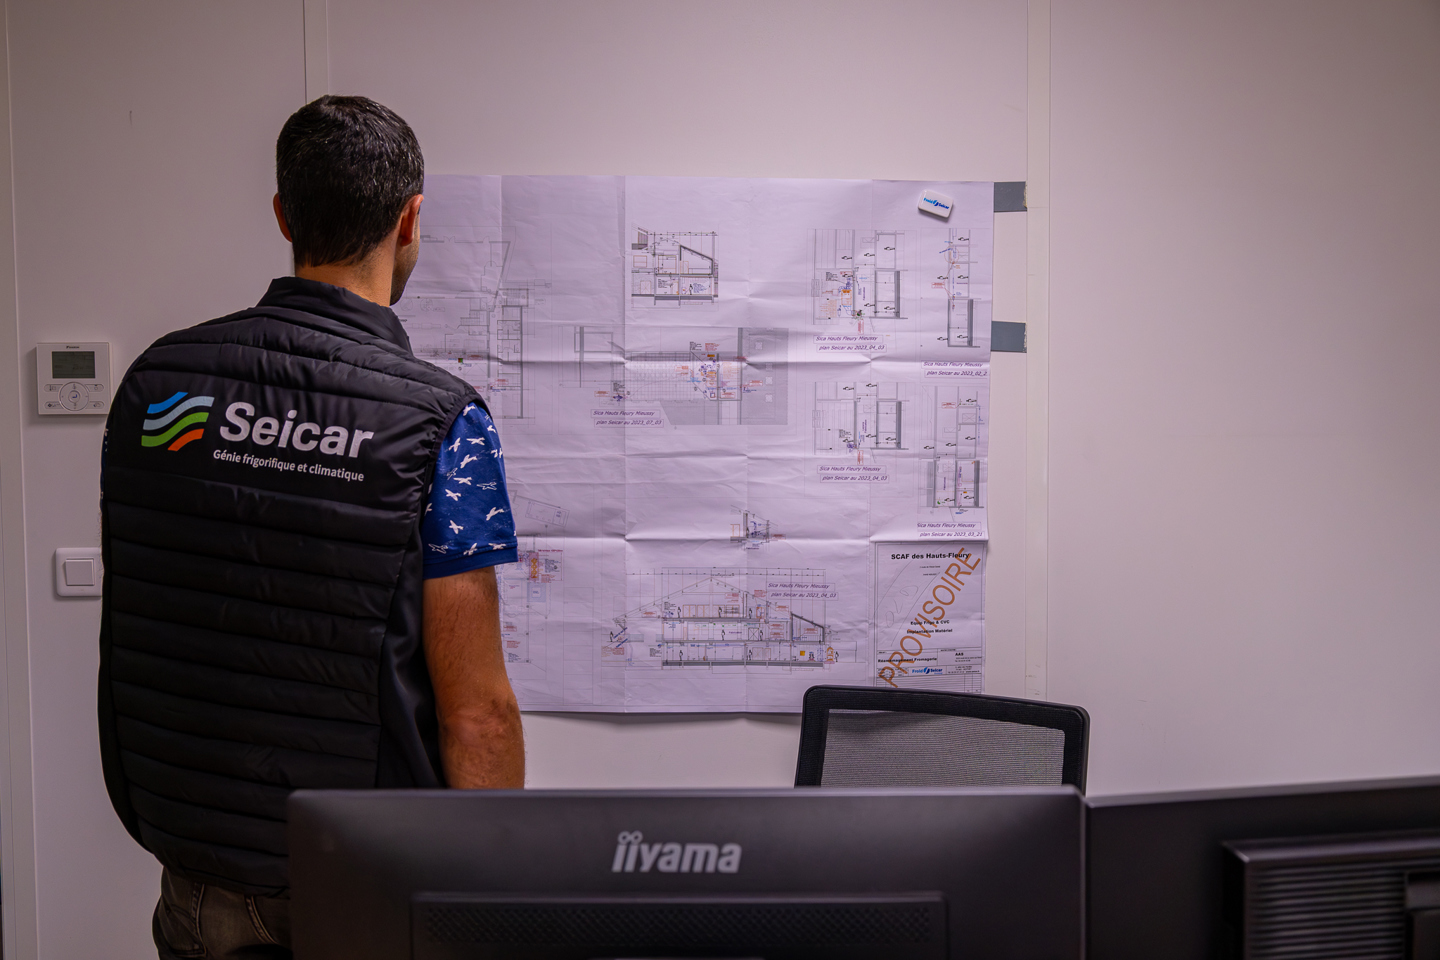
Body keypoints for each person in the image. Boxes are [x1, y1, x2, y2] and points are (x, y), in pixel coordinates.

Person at [97, 95, 525, 959]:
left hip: (198, 874)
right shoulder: (440, 421)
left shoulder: (159, 384)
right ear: (410, 220)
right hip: (366, 887)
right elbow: (477, 712)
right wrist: (491, 897)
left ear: (284, 216)